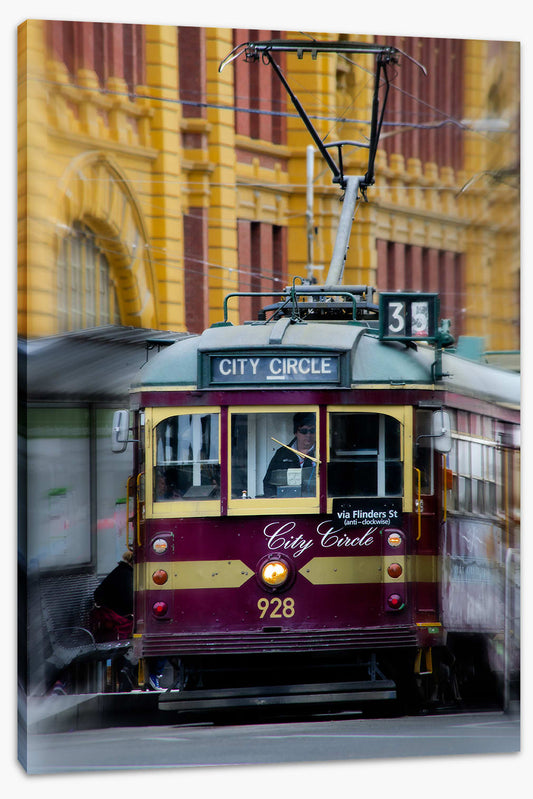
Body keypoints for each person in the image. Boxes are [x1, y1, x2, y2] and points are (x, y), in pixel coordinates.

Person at [263, 412, 317, 497]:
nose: (308, 435)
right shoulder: (282, 453)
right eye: (304, 431)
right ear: (295, 432)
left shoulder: (323, 453)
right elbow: (268, 483)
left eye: (312, 431)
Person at [90, 551, 134, 641]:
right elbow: (129, 600)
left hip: (110, 611)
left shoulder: (121, 570)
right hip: (115, 615)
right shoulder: (126, 574)